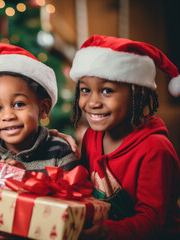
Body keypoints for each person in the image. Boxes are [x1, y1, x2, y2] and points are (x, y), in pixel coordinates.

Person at [69, 35, 180, 239]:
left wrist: (104, 232)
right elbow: (82, 185)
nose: (92, 102)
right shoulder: (92, 135)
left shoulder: (155, 150)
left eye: (106, 91)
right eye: (85, 90)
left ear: (140, 95)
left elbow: (151, 221)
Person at [0, 42, 79, 172]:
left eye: (19, 104)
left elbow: (72, 191)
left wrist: (25, 179)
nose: (8, 116)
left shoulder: (60, 153)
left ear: (43, 108)